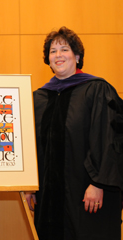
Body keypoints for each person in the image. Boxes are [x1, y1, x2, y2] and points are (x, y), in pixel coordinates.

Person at [27, 26, 123, 240]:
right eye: (53, 51)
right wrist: (29, 185)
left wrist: (98, 183)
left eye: (64, 49)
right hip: (48, 198)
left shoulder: (97, 90)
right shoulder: (39, 98)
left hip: (86, 194)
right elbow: (31, 146)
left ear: (77, 56)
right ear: (48, 59)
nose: (58, 55)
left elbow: (108, 139)